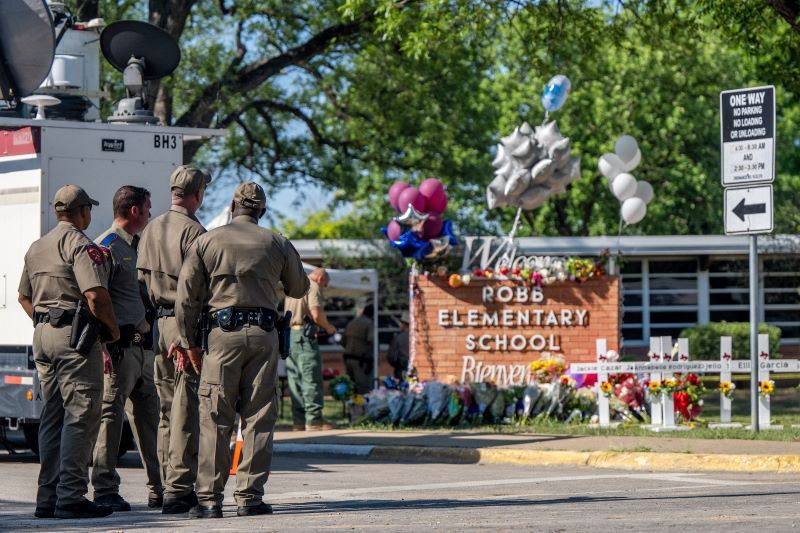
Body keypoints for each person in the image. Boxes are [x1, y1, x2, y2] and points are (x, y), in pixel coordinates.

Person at [172, 182, 309, 518]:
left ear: (233, 207)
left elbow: (186, 298)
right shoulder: (277, 242)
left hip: (221, 336)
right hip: (264, 335)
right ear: (261, 210)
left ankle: (209, 499)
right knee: (259, 417)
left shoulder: (207, 241)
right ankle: (250, 498)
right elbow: (299, 287)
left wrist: (189, 342)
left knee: (215, 417)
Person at [18, 185, 119, 519]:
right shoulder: (79, 244)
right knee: (81, 413)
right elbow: (95, 295)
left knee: (53, 415)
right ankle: (71, 496)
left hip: (43, 334)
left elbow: (23, 296)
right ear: (83, 212)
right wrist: (112, 330)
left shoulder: (37, 247)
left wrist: (46, 321)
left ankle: (47, 497)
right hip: (73, 339)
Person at [137, 165, 209, 514]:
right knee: (185, 410)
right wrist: (187, 337)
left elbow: (140, 283)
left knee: (166, 409)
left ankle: (165, 486)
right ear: (198, 194)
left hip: (159, 324)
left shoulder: (151, 228)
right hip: (184, 326)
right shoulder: (194, 231)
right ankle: (179, 489)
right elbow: (194, 289)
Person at [91, 186, 163, 511]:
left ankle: (160, 488)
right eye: (147, 208)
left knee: (151, 421)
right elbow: (93, 297)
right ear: (134, 210)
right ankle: (105, 488)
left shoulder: (138, 246)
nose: (150, 214)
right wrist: (102, 346)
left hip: (143, 349)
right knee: (110, 419)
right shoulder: (106, 246)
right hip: (118, 351)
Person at [284, 267, 337, 431]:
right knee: (310, 378)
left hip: (290, 336)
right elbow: (316, 314)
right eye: (325, 285)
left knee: (295, 380)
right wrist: (329, 328)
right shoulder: (313, 286)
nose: (324, 288)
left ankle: (299, 421)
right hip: (304, 337)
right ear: (321, 279)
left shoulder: (294, 286)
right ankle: (314, 420)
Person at [342, 304, 375, 394]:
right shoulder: (369, 324)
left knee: (350, 387)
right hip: (361, 360)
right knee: (363, 388)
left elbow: (343, 341)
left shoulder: (351, 322)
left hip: (348, 358)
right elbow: (371, 340)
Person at [387, 311, 409, 380]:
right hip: (415, 369)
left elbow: (391, 357)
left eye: (401, 323)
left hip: (401, 370)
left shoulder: (398, 338)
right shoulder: (418, 337)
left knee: (403, 385)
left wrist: (397, 364)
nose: (400, 325)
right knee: (413, 385)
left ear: (405, 324)